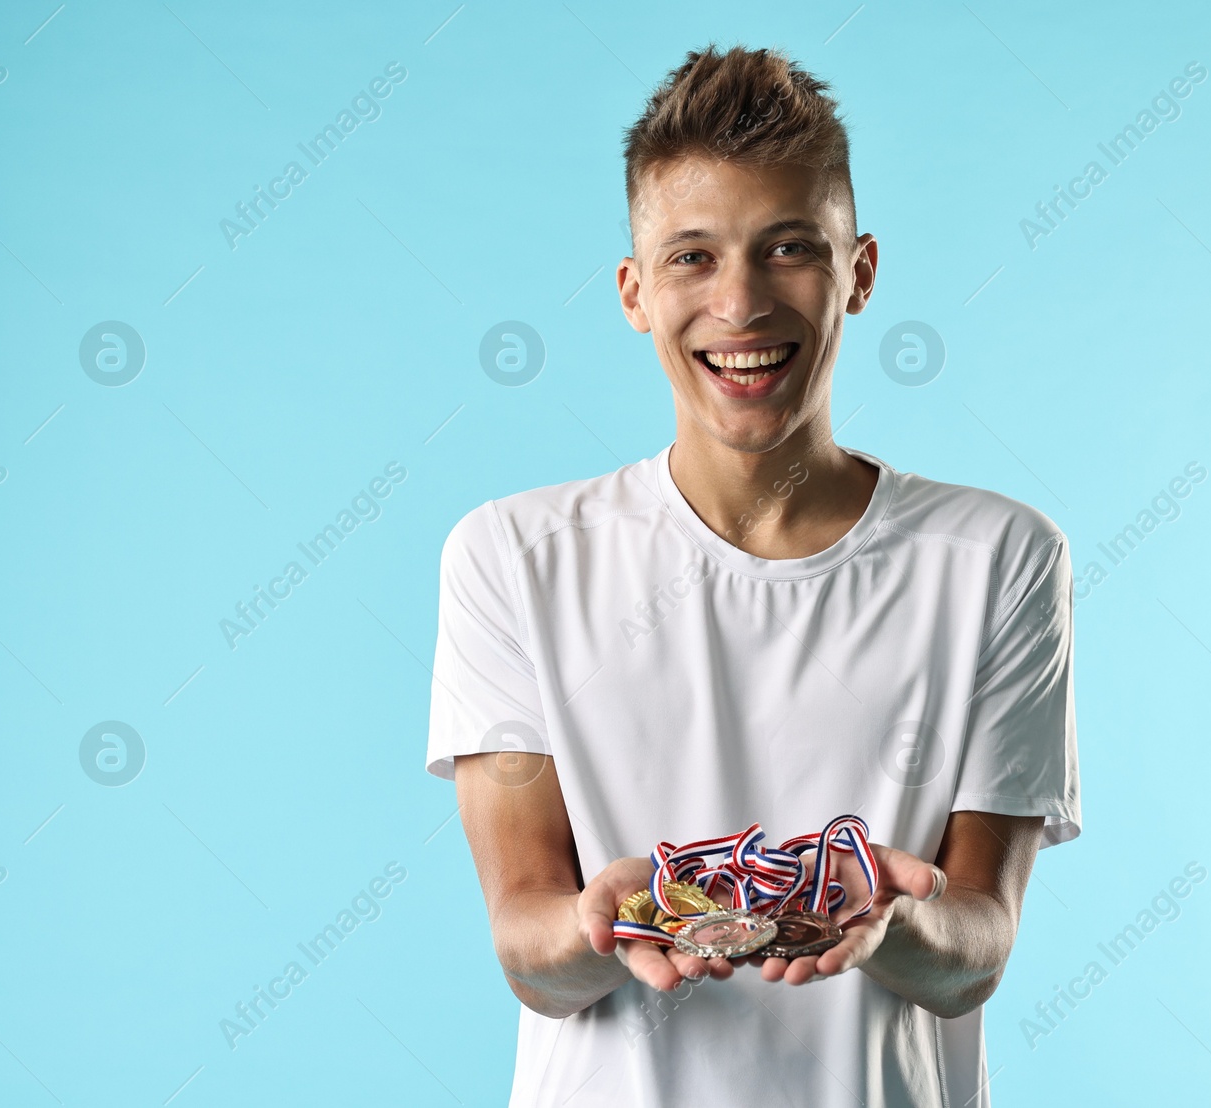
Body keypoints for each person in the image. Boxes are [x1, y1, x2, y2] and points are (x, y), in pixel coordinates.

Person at [426, 43, 1080, 1108]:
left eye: (787, 248)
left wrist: (891, 922)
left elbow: (975, 952)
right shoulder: (511, 558)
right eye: (691, 256)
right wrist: (602, 921)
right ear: (634, 292)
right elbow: (526, 940)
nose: (739, 304)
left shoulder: (999, 558)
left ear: (857, 271)